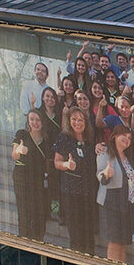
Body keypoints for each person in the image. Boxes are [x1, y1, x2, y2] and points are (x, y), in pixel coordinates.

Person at [53, 107, 98, 256]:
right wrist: (66, 165)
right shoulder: (64, 137)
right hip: (71, 194)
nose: (77, 123)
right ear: (69, 121)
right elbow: (57, 162)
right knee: (76, 235)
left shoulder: (89, 139)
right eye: (74, 119)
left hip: (88, 194)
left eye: (80, 120)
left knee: (88, 234)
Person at [96, 125, 134, 263]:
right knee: (115, 243)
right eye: (124, 136)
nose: (127, 139)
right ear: (114, 136)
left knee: (122, 243)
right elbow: (100, 175)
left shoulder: (128, 157)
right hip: (111, 203)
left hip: (126, 205)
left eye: (129, 138)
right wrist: (106, 175)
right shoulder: (105, 152)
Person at [12, 110, 52, 240]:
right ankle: (23, 243)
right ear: (28, 121)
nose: (35, 122)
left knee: (39, 215)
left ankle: (37, 242)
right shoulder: (22, 134)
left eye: (38, 119)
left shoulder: (46, 140)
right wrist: (19, 150)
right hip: (22, 178)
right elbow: (14, 155)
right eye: (32, 119)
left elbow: (47, 162)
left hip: (38, 180)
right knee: (24, 214)